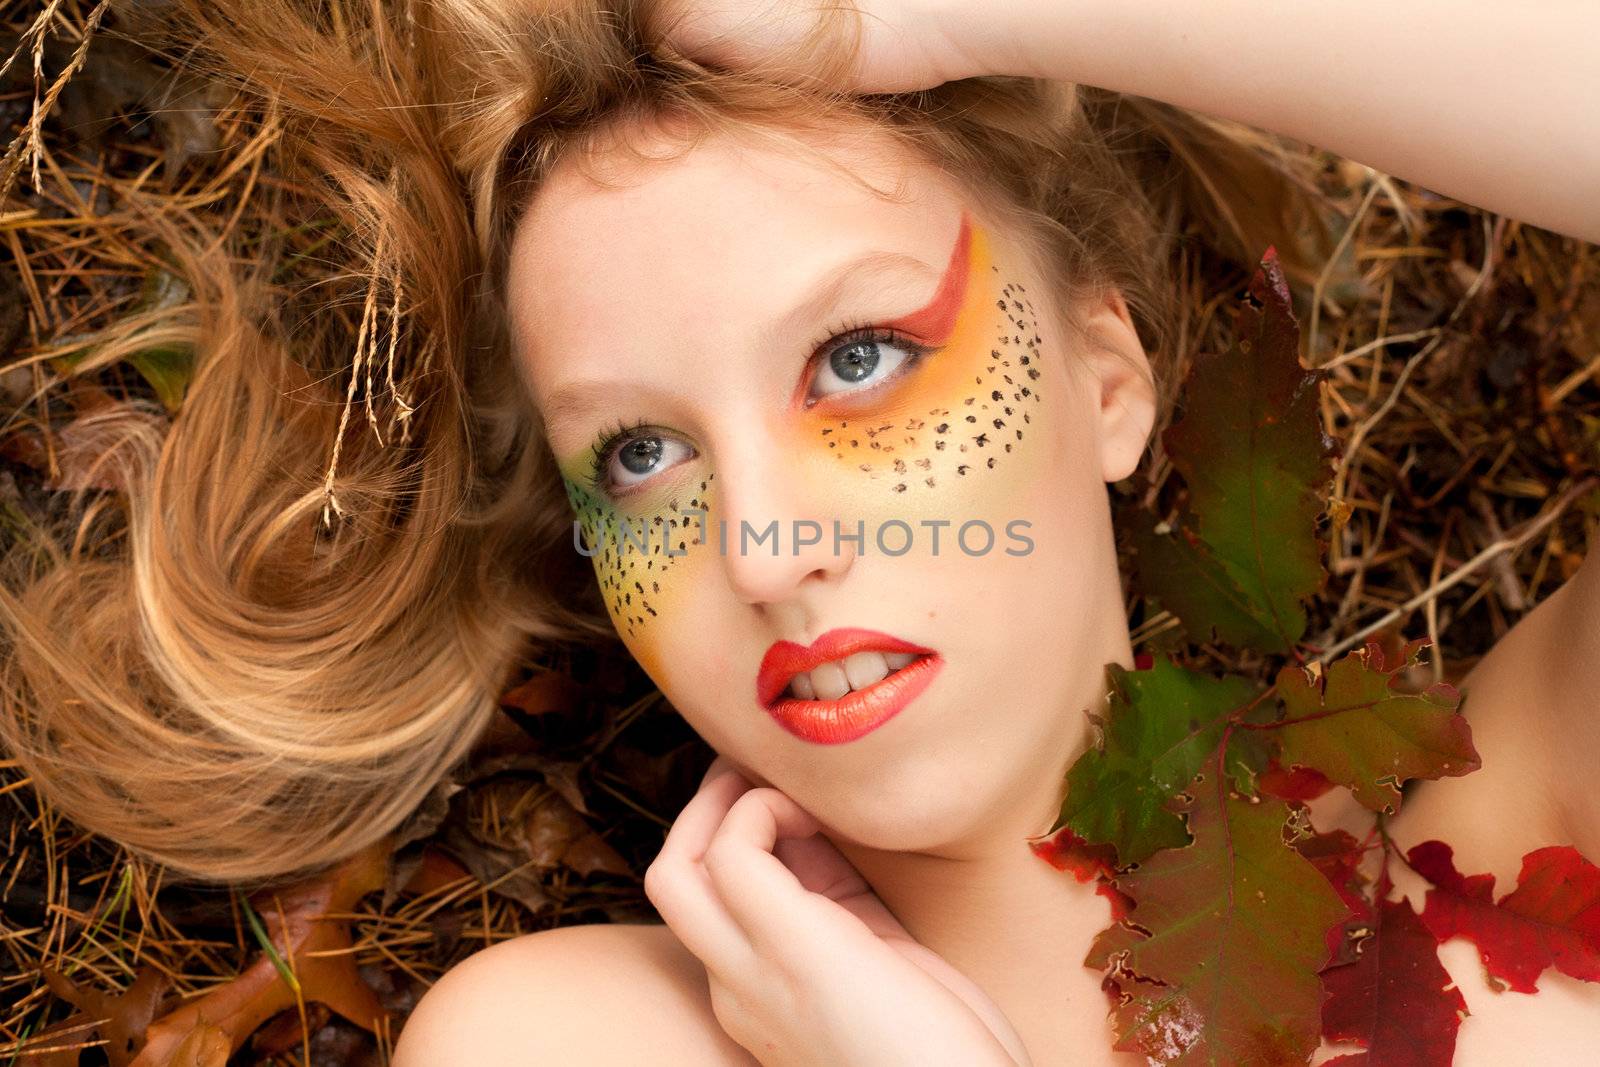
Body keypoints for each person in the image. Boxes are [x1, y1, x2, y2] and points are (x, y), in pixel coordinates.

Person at [2, 1, 1594, 1065]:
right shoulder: (580, 1049)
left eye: (855, 361)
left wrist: (956, 9)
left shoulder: (1528, 828)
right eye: (638, 456)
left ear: (1110, 377)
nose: (761, 546)